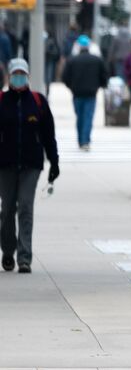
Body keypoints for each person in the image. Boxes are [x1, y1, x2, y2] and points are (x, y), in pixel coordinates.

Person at [0, 58, 58, 274]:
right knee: (7, 210)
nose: (19, 77)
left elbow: (48, 135)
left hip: (31, 165)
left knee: (25, 207)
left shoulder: (38, 101)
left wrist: (54, 162)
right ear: (9, 76)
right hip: (5, 164)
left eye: (22, 74)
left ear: (27, 76)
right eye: (15, 73)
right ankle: (7, 250)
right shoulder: (1, 100)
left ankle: (25, 257)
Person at [62, 35, 108, 150]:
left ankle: (80, 140)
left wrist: (71, 87)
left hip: (77, 93)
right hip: (91, 93)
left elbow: (65, 77)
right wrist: (99, 86)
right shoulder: (97, 60)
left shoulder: (72, 60)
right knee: (88, 117)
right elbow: (104, 76)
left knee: (80, 117)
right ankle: (85, 141)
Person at [43, 31, 60, 95]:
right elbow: (57, 52)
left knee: (46, 75)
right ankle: (47, 88)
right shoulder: (52, 41)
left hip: (46, 60)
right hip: (50, 60)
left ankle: (46, 87)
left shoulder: (45, 41)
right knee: (48, 75)